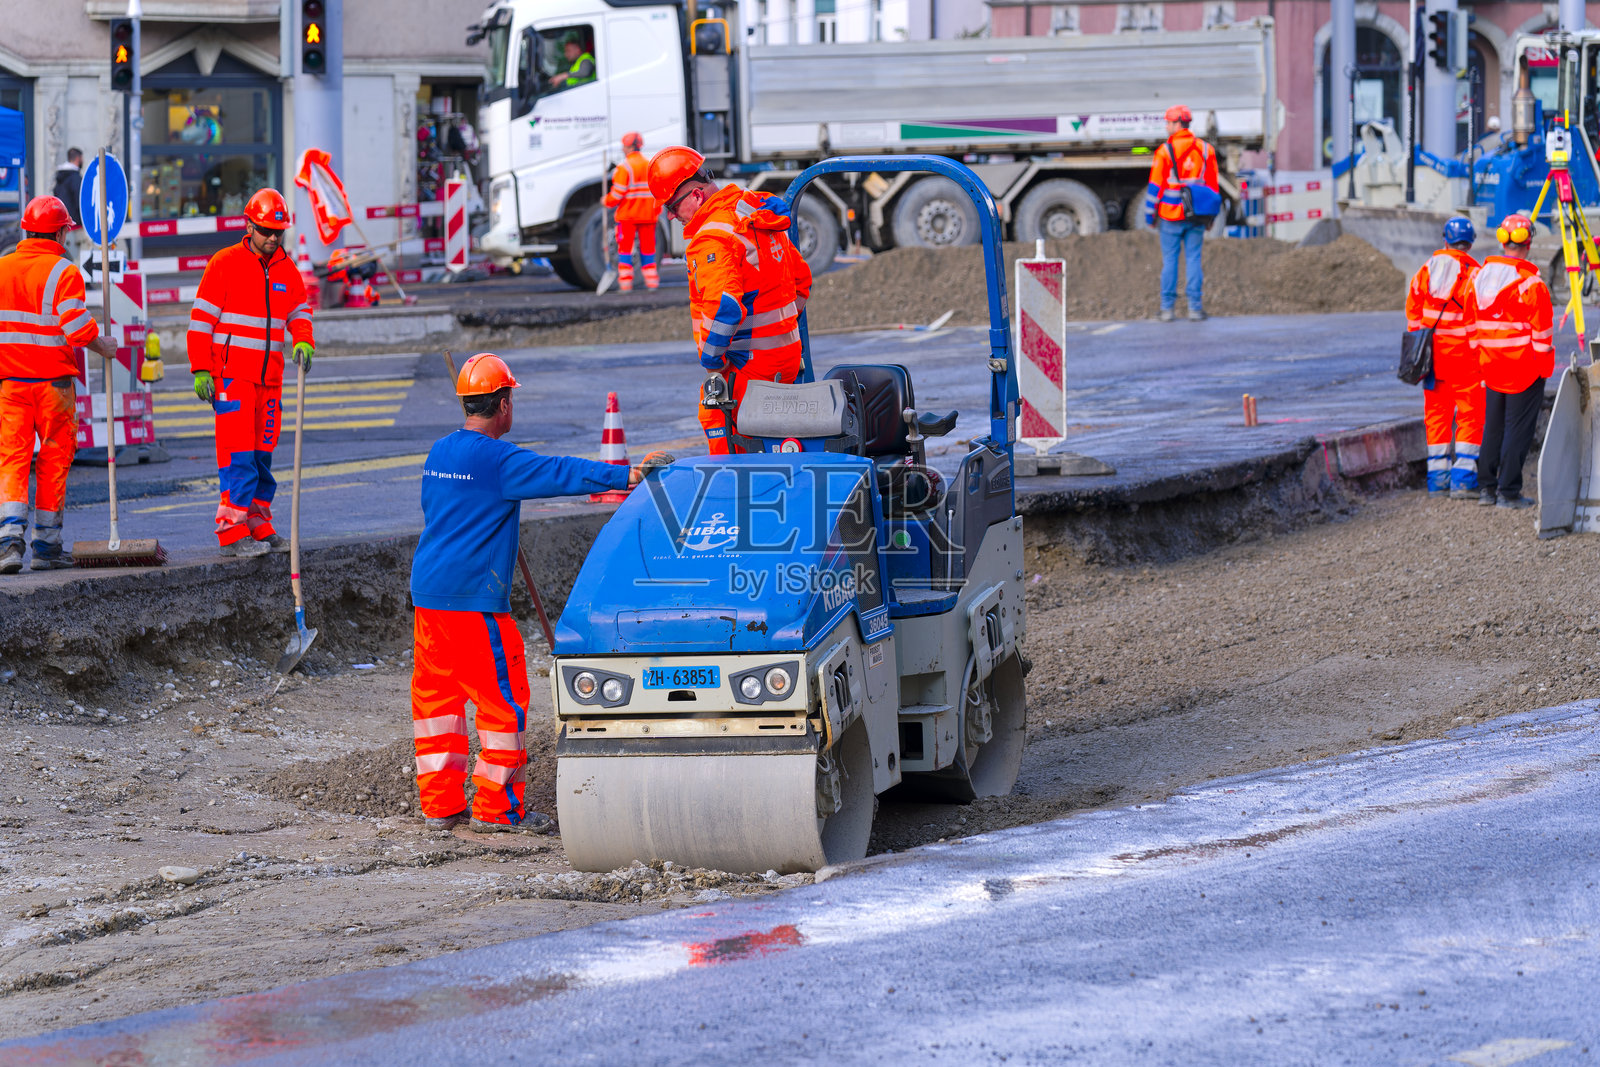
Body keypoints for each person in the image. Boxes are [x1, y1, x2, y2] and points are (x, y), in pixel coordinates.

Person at [408, 353, 668, 832]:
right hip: (473, 603)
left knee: (436, 703)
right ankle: (496, 809)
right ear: (503, 403)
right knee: (501, 703)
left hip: (428, 597)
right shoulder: (499, 460)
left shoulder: (440, 452)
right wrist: (627, 476)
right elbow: (559, 471)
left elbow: (449, 509)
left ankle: (440, 807)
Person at [646, 146, 812, 454]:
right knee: (775, 440)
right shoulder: (750, 213)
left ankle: (732, 491)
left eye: (671, 205)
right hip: (786, 357)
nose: (670, 215)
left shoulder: (711, 238)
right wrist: (779, 331)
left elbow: (726, 307)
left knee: (715, 416)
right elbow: (802, 281)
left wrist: (714, 360)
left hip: (751, 365)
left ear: (695, 196)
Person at [186, 188, 315, 557]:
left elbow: (299, 312)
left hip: (269, 382)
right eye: (265, 231)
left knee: (262, 457)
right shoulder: (224, 263)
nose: (273, 238)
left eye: (278, 232)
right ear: (249, 225)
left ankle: (258, 523)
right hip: (232, 380)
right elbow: (201, 322)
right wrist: (200, 369)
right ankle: (232, 531)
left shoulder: (287, 270)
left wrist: (304, 339)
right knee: (237, 456)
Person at [0, 196, 117, 573]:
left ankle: (8, 544)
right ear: (62, 231)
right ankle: (47, 548)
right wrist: (105, 346)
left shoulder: (2, 268)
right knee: (53, 459)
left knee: (13, 459)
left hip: (10, 385)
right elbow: (77, 328)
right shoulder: (63, 272)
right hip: (53, 385)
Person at [1467, 213, 1552, 509]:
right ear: (1528, 242)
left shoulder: (1478, 277)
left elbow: (1471, 323)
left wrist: (1481, 359)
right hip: (1523, 369)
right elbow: (1542, 336)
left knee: (1493, 426)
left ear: (1503, 241)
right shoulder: (1531, 285)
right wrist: (1544, 370)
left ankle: (1487, 489)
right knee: (1518, 429)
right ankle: (1509, 492)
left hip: (1491, 365)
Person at [1407, 216, 1483, 499]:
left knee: (1436, 416)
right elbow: (1477, 320)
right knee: (1470, 415)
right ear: (1470, 242)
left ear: (1445, 240)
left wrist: (1424, 346)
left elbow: (1414, 315)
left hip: (1432, 360)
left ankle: (1437, 481)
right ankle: (1463, 480)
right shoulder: (1474, 274)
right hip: (1464, 359)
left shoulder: (1426, 271)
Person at [1144, 104, 1220, 322]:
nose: (1166, 126)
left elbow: (1155, 187)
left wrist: (1150, 216)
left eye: (1168, 122)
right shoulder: (1206, 150)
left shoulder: (1164, 151)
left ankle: (1167, 310)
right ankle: (1195, 309)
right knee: (1194, 259)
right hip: (1196, 215)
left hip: (1170, 216)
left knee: (1170, 261)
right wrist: (1211, 218)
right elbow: (1213, 189)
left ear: (1178, 123)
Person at [602, 132, 661, 292]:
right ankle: (652, 283)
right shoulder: (650, 165)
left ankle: (626, 285)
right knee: (648, 249)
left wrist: (605, 201)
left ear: (629, 147)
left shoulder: (624, 167)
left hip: (628, 216)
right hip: (649, 215)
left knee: (625, 249)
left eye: (624, 146)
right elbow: (658, 191)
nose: (622, 149)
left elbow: (617, 194)